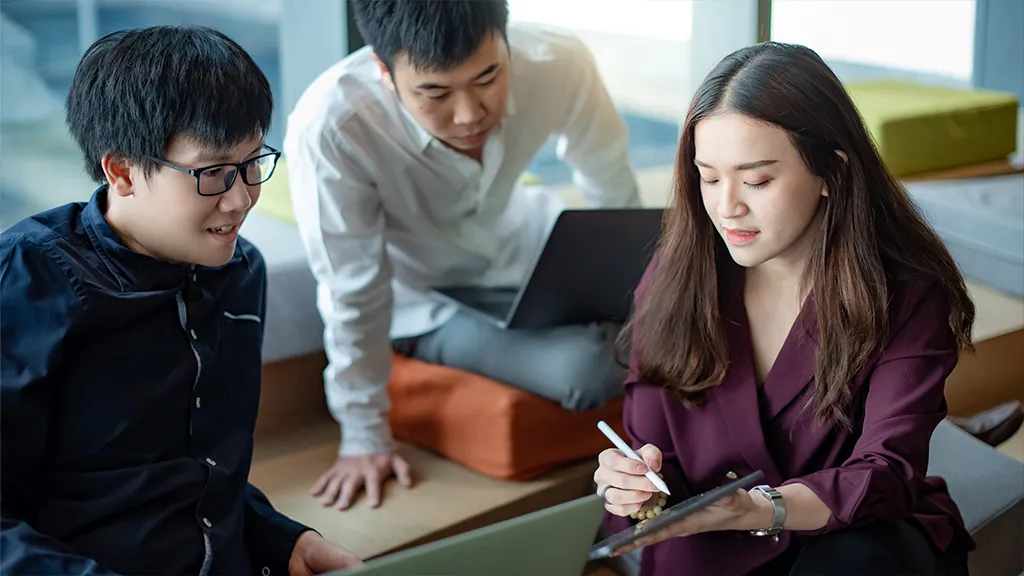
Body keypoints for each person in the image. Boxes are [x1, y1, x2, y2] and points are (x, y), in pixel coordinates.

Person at [593, 42, 975, 576]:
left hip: (849, 540)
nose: (728, 206)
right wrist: (631, 486)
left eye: (757, 180)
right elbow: (654, 453)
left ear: (830, 172)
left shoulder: (905, 294)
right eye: (709, 177)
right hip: (709, 548)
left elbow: (886, 474)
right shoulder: (680, 274)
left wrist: (763, 508)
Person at [0, 26, 361, 576]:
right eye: (213, 173)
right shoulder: (28, 280)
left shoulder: (238, 273)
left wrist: (285, 541)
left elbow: (205, 476)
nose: (241, 199)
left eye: (251, 163)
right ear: (120, 170)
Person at [285, 0, 641, 510]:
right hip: (428, 302)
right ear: (383, 71)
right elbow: (351, 288)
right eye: (434, 92)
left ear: (506, 38)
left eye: (488, 77)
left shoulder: (558, 60)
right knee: (587, 369)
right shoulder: (332, 127)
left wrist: (638, 292)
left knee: (684, 319)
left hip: (534, 250)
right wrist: (364, 434)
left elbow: (613, 188)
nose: (470, 114)